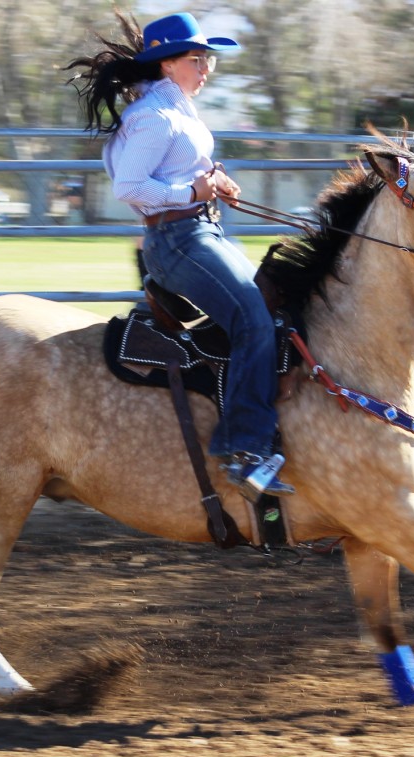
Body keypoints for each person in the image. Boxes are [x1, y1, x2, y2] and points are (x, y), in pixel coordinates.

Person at [67, 12, 294, 501]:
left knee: (267, 305)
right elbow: (130, 186)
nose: (206, 67)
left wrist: (212, 182)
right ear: (168, 64)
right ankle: (245, 448)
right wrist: (194, 187)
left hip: (196, 231)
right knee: (254, 320)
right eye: (198, 59)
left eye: (207, 59)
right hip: (179, 241)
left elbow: (176, 170)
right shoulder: (154, 117)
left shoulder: (173, 110)